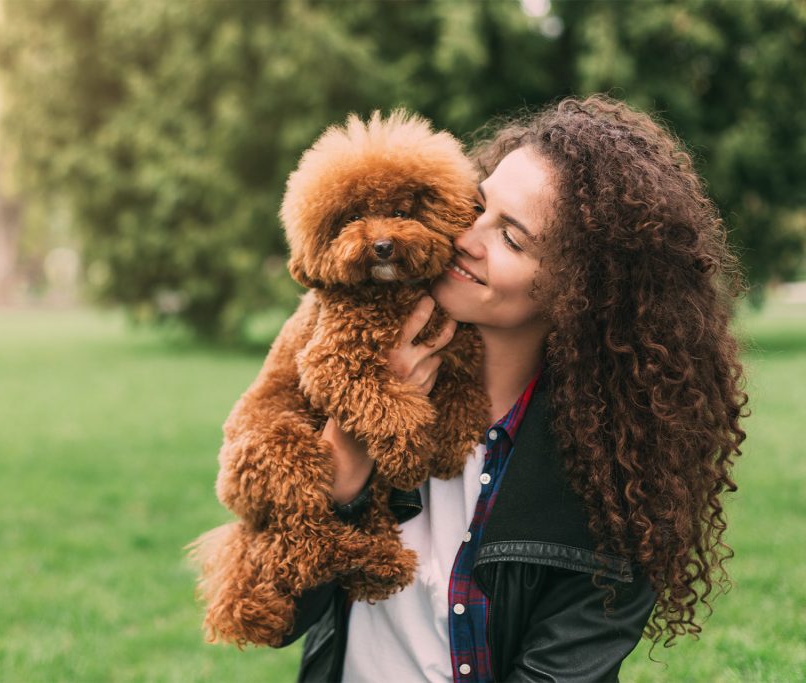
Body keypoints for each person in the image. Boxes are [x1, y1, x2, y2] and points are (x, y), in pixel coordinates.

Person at [277, 95, 749, 681]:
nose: (468, 237)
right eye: (477, 205)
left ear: (582, 290)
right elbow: (281, 616)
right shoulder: (355, 370)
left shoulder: (619, 474)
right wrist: (349, 447)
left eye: (513, 239)